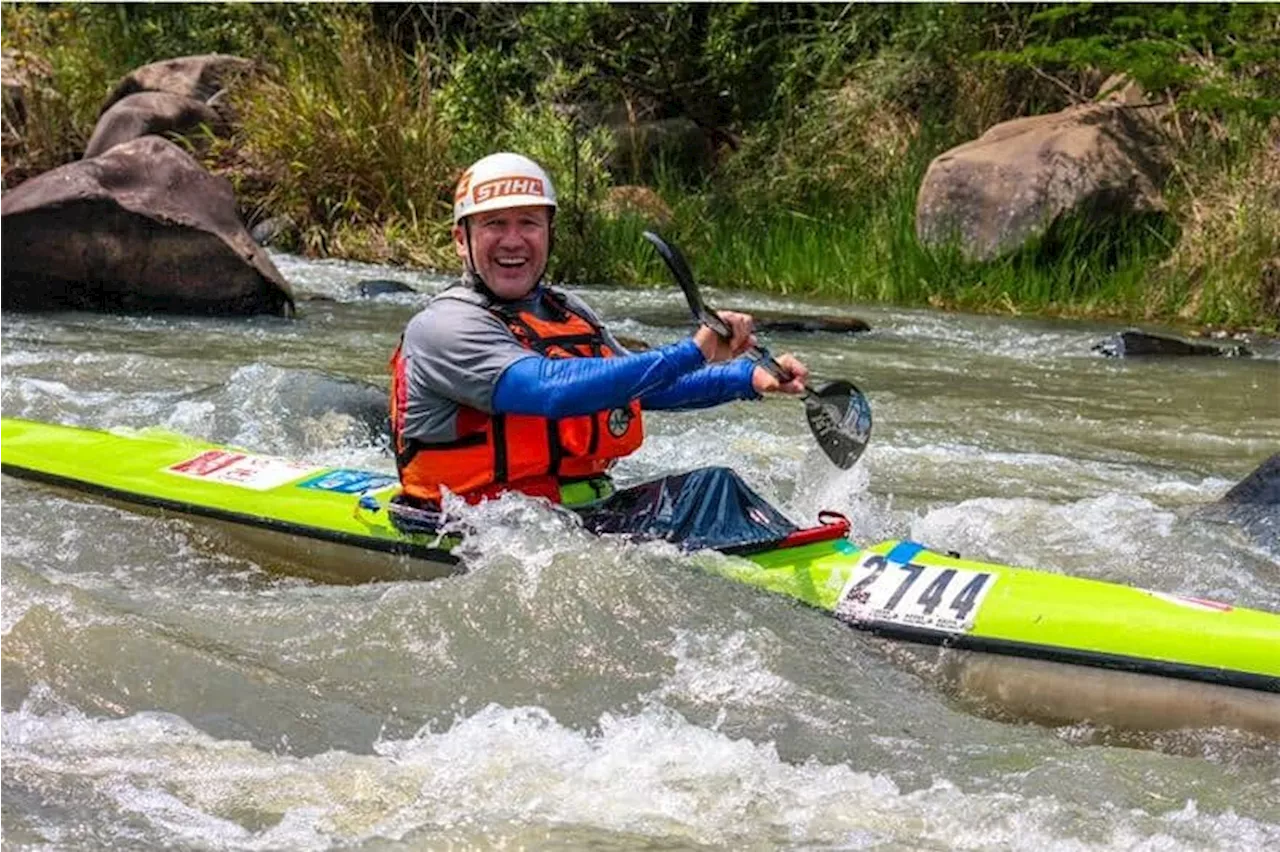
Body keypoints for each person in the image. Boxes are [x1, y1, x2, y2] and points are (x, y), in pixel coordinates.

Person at [389, 152, 815, 548]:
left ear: (549, 233)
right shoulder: (444, 327)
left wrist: (746, 378)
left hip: (577, 514)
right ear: (462, 240)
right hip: (472, 524)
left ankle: (800, 550)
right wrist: (693, 351)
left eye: (529, 223)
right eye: (494, 224)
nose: (513, 240)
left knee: (711, 487)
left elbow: (638, 385)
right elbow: (549, 389)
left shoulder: (568, 311)